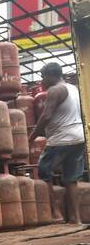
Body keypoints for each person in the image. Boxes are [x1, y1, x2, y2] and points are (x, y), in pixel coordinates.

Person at [29, 62, 86, 223]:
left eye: (43, 77)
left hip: (61, 139)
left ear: (50, 75)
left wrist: (32, 137)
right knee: (71, 179)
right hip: (78, 138)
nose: (42, 81)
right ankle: (76, 218)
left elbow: (46, 116)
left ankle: (56, 213)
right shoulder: (73, 89)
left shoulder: (55, 90)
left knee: (44, 171)